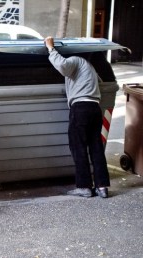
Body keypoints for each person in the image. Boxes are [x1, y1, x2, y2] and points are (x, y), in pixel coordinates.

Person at [44, 36, 110, 198]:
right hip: (94, 108)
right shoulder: (91, 67)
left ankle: (84, 187)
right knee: (96, 148)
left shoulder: (76, 60)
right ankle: (102, 187)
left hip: (80, 108)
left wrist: (51, 48)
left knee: (78, 147)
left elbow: (62, 66)